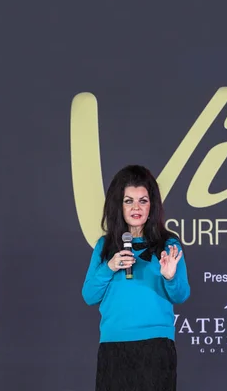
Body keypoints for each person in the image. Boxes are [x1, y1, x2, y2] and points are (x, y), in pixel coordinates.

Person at [81, 164, 190, 391]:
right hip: (114, 345)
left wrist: (169, 276)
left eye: (143, 200)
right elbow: (89, 295)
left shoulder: (168, 244)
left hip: (156, 346)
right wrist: (109, 267)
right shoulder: (105, 246)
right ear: (118, 205)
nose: (136, 207)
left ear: (152, 205)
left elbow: (181, 295)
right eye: (128, 201)